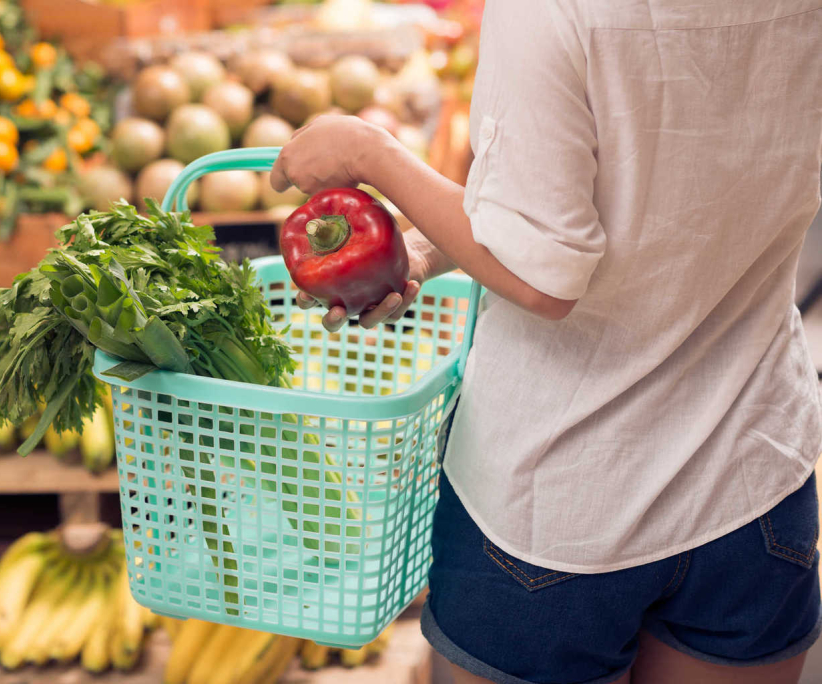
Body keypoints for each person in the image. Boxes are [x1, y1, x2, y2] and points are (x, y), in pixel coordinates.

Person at [269, 0, 822, 682]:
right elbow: (658, 184)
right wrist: (422, 248)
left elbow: (542, 280)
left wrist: (368, 153)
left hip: (561, 508)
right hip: (753, 482)